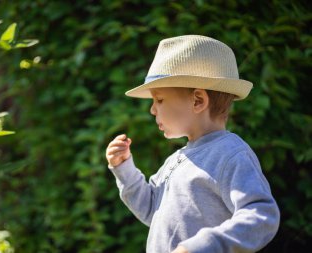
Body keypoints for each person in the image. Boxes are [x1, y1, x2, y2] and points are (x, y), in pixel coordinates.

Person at [105, 35, 280, 253]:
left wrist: (207, 245)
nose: (152, 109)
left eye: (159, 100)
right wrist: (125, 169)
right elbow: (151, 209)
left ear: (198, 100)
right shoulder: (176, 160)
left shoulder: (231, 154)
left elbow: (262, 215)